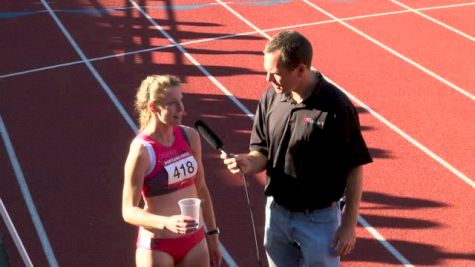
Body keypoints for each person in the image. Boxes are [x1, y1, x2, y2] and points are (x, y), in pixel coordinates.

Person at [221, 31, 372, 267]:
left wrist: (349, 224)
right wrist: (249, 162)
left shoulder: (336, 108)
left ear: (301, 70)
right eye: (267, 71)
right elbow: (262, 151)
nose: (268, 79)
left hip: (318, 220)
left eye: (275, 73)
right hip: (277, 213)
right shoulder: (271, 96)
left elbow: (354, 166)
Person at [122, 75, 222, 267]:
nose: (182, 109)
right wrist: (166, 222)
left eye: (181, 101)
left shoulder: (189, 136)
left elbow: (201, 189)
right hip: (158, 247)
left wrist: (213, 235)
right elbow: (128, 211)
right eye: (173, 104)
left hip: (195, 242)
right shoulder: (142, 152)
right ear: (153, 107)